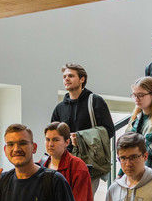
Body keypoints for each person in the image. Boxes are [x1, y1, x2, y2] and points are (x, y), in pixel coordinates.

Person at [50, 63, 116, 192]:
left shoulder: (95, 101)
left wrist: (81, 138)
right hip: (65, 164)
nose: (66, 79)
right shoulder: (59, 108)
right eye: (64, 77)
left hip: (89, 164)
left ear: (82, 79)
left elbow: (109, 130)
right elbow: (53, 135)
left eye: (70, 76)